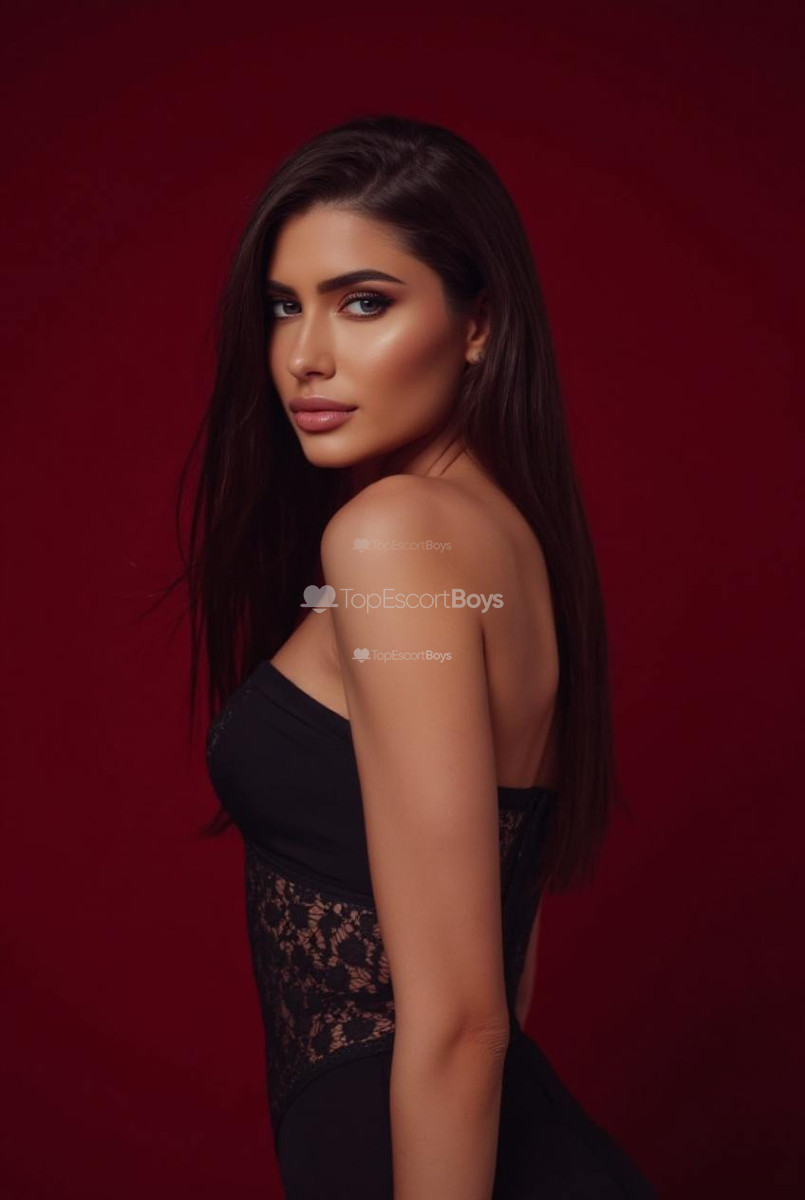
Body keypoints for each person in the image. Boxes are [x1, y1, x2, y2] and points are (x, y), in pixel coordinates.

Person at [172, 113, 656, 1198]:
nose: (305, 354)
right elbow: (501, 976)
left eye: (363, 302)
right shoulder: (498, 537)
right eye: (284, 306)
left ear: (478, 324)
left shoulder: (395, 534)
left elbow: (465, 1023)